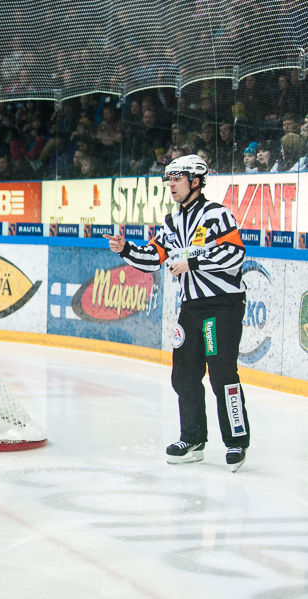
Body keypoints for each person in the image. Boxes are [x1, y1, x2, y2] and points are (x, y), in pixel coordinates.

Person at [104, 154, 249, 472]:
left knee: (222, 376)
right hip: (192, 308)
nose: (170, 185)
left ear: (195, 181)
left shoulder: (217, 215)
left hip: (221, 306)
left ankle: (236, 440)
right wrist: (125, 248)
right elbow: (153, 257)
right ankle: (193, 438)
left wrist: (192, 262)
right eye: (167, 180)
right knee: (183, 375)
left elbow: (234, 252)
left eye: (176, 179)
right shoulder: (171, 223)